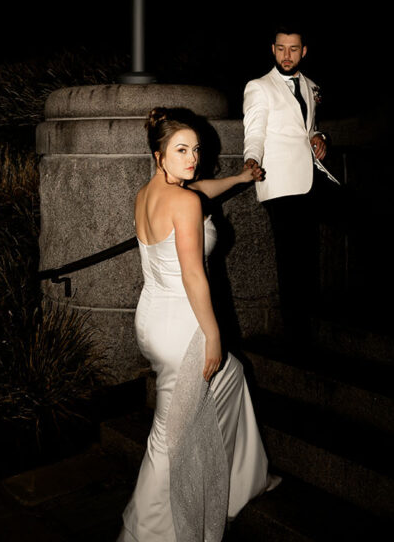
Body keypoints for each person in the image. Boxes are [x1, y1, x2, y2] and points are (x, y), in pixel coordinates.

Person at [119, 107, 279, 542]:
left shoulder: (148, 193)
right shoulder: (185, 202)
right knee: (168, 437)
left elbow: (201, 189)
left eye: (196, 149)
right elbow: (194, 275)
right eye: (181, 150)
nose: (192, 158)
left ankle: (240, 484)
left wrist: (240, 179)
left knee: (232, 378)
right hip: (183, 328)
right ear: (159, 155)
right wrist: (213, 335)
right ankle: (144, 532)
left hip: (151, 319)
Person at [243, 27, 340, 336]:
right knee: (291, 257)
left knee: (309, 251)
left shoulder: (311, 87)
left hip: (310, 179)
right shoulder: (259, 87)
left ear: (304, 51)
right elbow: (255, 132)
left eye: (293, 49)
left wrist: (318, 137)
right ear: (273, 49)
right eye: (281, 48)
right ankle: (295, 333)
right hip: (280, 182)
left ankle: (313, 320)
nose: (287, 55)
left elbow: (309, 127)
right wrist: (251, 159)